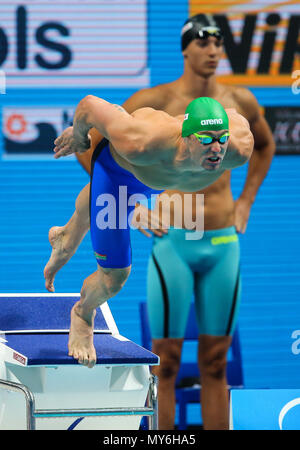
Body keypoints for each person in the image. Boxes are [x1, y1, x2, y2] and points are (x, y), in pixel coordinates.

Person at [44, 14, 275, 430]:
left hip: (165, 191)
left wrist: (245, 203)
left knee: (214, 355)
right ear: (185, 135)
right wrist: (79, 134)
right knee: (116, 276)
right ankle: (82, 313)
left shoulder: (237, 145)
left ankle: (66, 234)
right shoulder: (143, 138)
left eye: (220, 139)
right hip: (124, 172)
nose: (216, 150)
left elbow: (255, 138)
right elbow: (92, 106)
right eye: (205, 140)